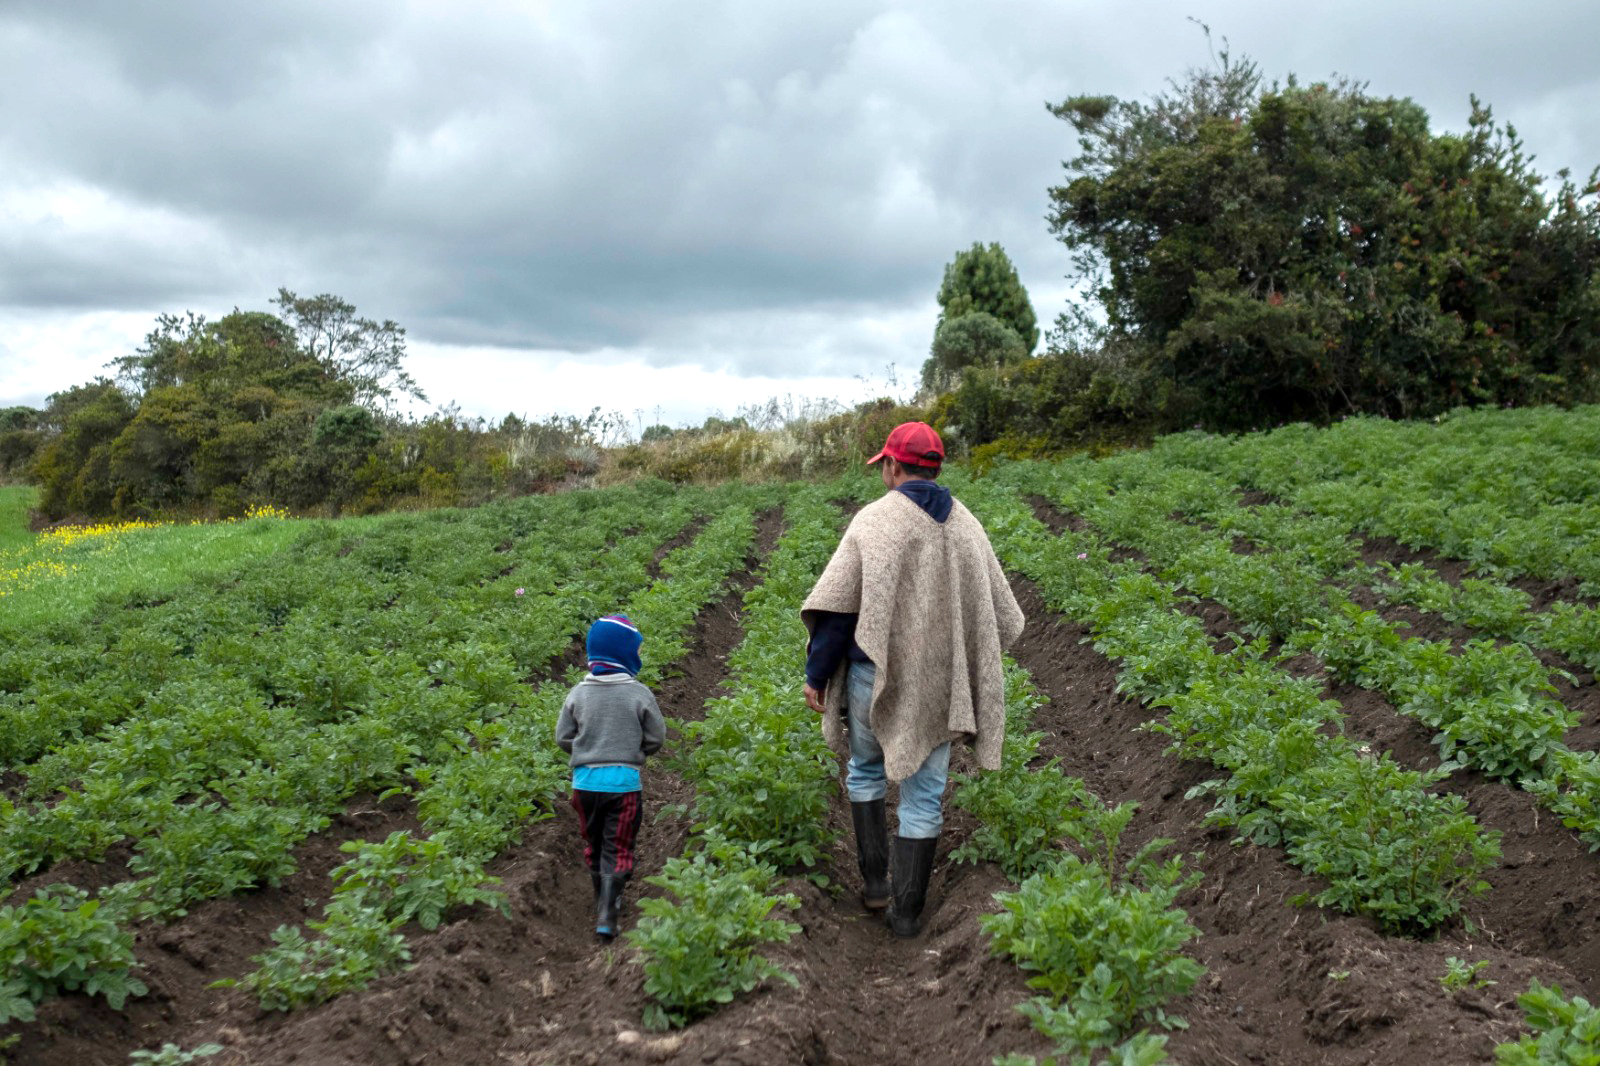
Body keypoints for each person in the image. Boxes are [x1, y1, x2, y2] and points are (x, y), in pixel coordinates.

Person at [802, 421, 1025, 937]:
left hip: (870, 679)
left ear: (892, 466)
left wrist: (816, 674)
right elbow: (1001, 613)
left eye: (883, 464)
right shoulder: (967, 525)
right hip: (941, 688)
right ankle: (906, 917)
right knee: (924, 796)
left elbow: (837, 611)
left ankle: (875, 885)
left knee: (865, 771)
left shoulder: (874, 521)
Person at [556, 614, 665, 940]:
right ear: (626, 654)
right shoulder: (639, 693)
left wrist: (587, 751)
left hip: (584, 785)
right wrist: (634, 750)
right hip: (623, 785)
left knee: (594, 841)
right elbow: (656, 738)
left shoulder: (578, 694)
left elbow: (563, 737)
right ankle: (608, 912)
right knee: (617, 846)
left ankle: (599, 898)